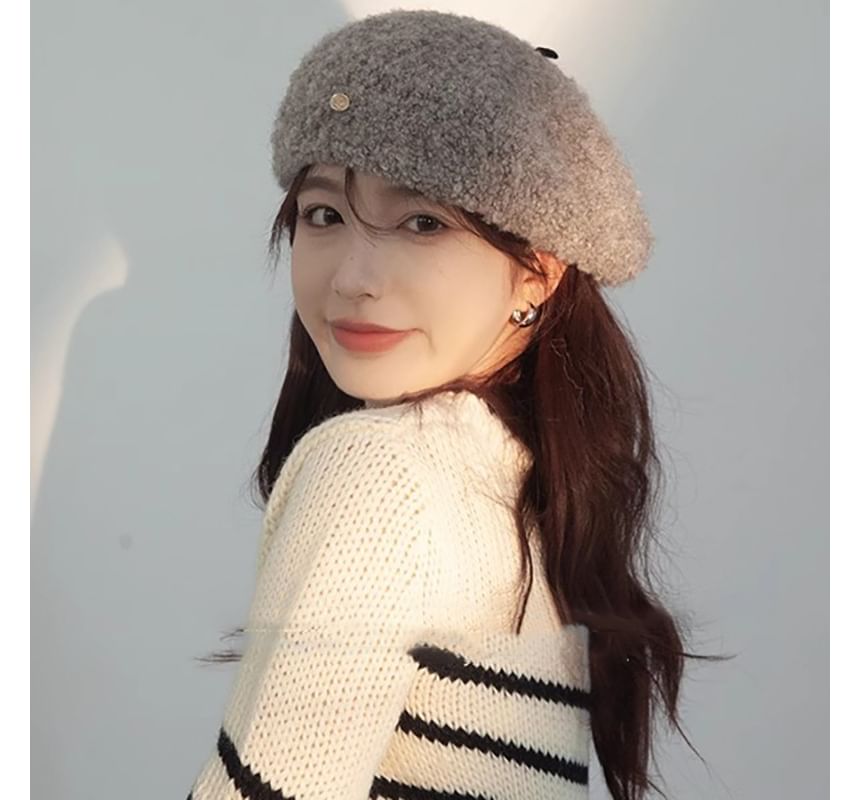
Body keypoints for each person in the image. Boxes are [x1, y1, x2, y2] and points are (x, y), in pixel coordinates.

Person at [184, 9, 723, 800]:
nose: (353, 278)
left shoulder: (380, 470)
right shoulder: (510, 474)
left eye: (422, 222)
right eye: (324, 214)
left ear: (538, 271)